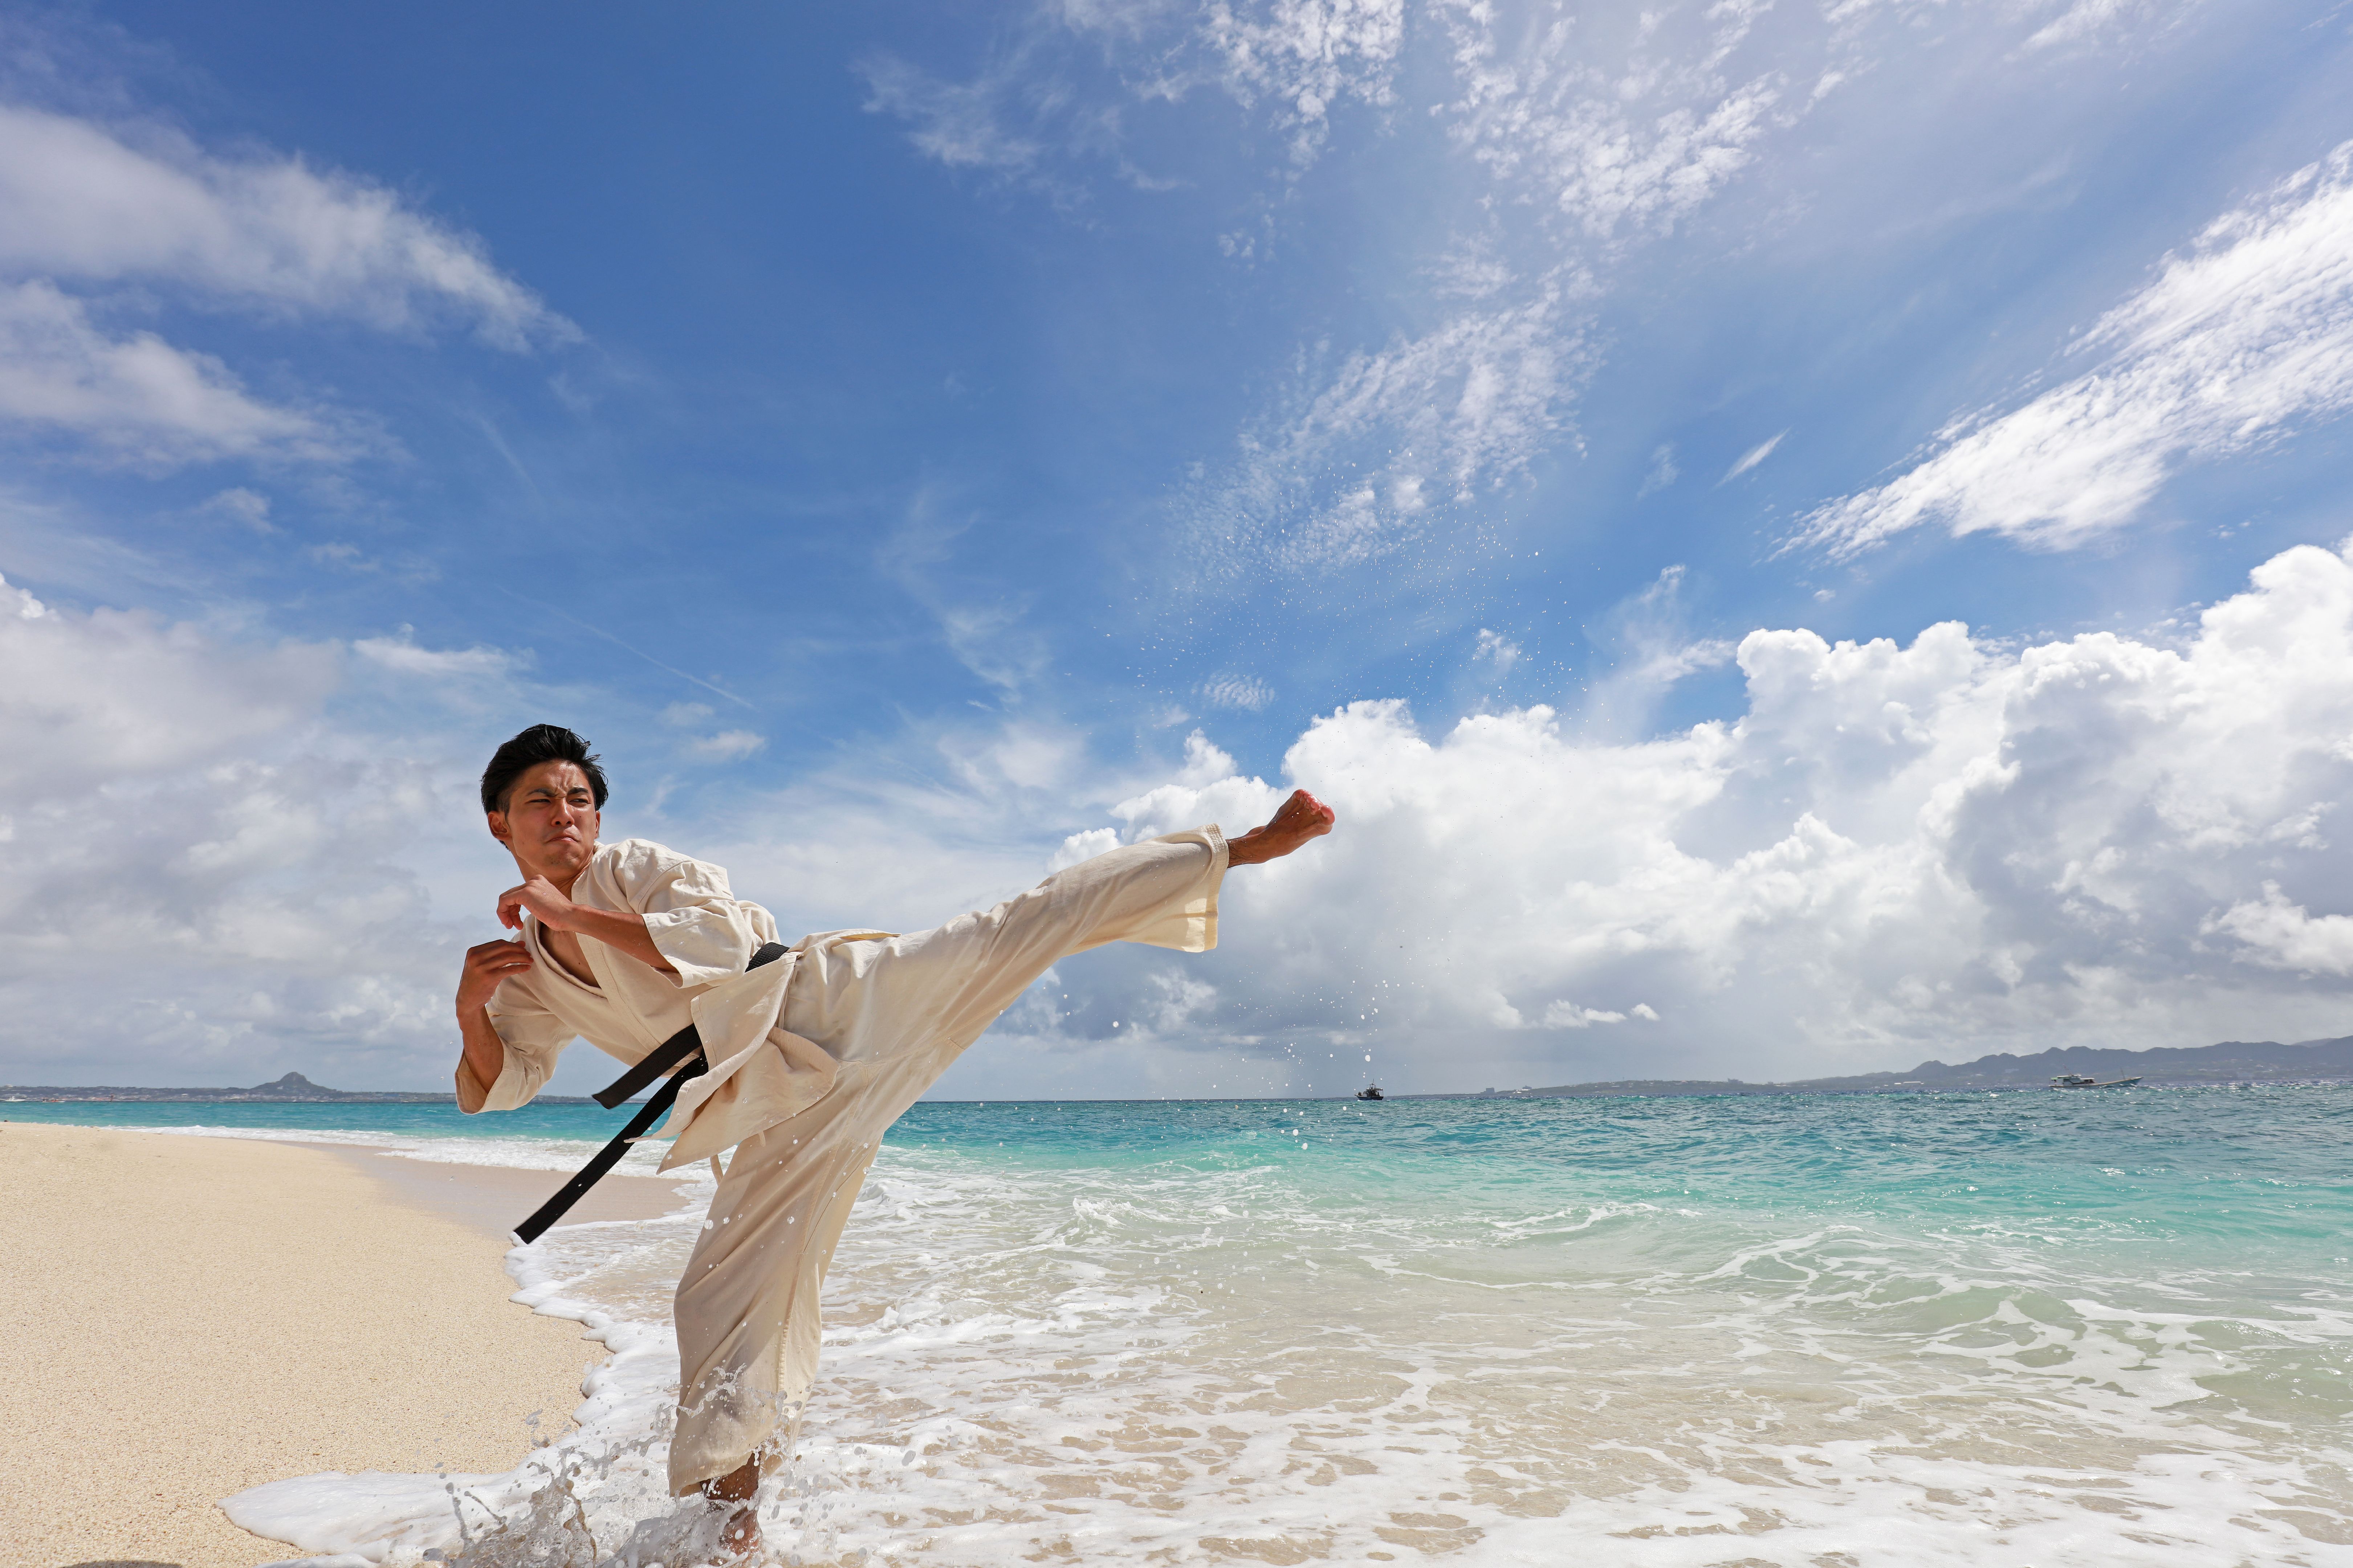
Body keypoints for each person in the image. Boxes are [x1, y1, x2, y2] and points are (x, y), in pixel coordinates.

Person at [453, 723, 1335, 1555]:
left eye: (578, 800)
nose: (564, 815)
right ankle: (731, 1533)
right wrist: (469, 1010)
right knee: (720, 1303)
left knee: (1009, 931)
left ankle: (1239, 848)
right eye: (540, 801)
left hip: (829, 1002)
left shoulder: (632, 870)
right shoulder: (525, 963)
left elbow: (719, 946)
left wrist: (572, 917)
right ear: (501, 824)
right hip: (778, 1107)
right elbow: (503, 1085)